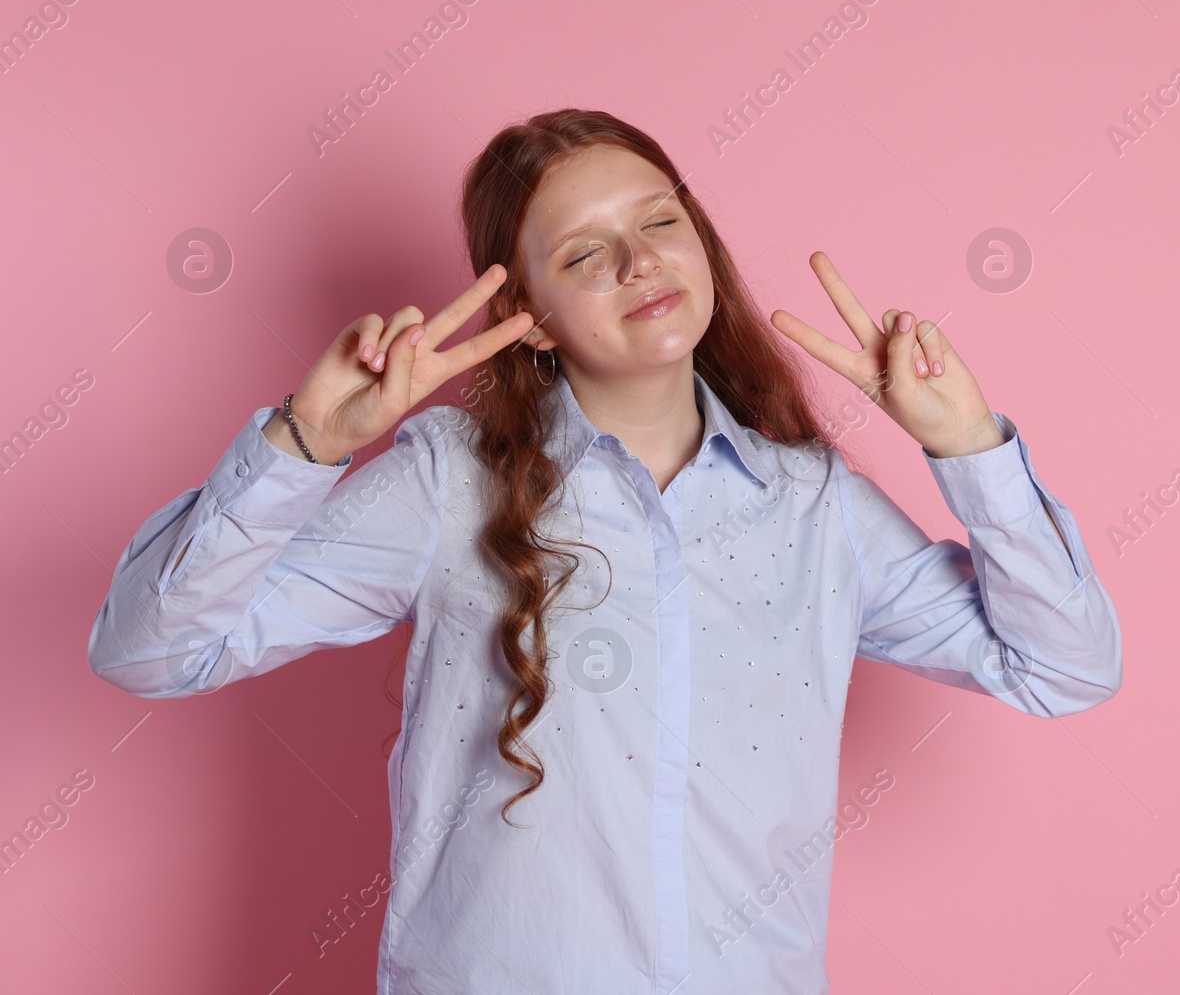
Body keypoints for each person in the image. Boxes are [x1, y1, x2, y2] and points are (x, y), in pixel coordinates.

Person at [87, 108, 1122, 994]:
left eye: (659, 221)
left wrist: (967, 446)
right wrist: (304, 447)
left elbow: (1064, 665)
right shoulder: (448, 480)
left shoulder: (816, 507)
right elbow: (151, 650)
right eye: (583, 252)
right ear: (529, 319)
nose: (637, 263)